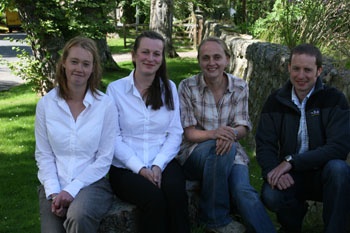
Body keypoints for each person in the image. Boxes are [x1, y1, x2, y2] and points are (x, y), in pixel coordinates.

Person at [177, 36, 277, 233]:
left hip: (232, 151)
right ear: (199, 61)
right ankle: (215, 218)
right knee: (224, 146)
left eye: (217, 57)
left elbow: (243, 126)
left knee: (243, 191)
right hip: (194, 154)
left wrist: (229, 133)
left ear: (227, 60)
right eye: (205, 58)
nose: (211, 63)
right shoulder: (187, 87)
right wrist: (216, 134)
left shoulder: (240, 87)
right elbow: (189, 133)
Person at [255, 43, 350, 233]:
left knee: (339, 170)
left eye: (308, 70)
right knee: (271, 195)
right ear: (289, 68)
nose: (301, 75)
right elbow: (265, 144)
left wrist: (292, 161)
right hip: (291, 176)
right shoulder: (276, 101)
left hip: (323, 174)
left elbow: (338, 147)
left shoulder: (334, 99)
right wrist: (273, 170)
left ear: (319, 71)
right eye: (296, 68)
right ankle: (291, 226)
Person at [106, 30, 190, 233]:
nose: (150, 58)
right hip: (125, 167)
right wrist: (140, 169)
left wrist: (158, 165)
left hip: (163, 160)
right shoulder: (115, 90)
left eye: (156, 54)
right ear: (134, 55)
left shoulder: (169, 88)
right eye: (145, 52)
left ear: (162, 59)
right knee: (154, 199)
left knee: (176, 192)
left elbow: (175, 132)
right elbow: (113, 138)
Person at [34, 36, 117, 233]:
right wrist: (55, 192)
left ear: (92, 69)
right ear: (64, 63)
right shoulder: (46, 105)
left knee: (78, 217)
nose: (79, 68)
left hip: (92, 184)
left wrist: (71, 190)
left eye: (86, 64)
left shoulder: (105, 106)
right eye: (74, 61)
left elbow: (104, 158)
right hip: (54, 183)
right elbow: (43, 154)